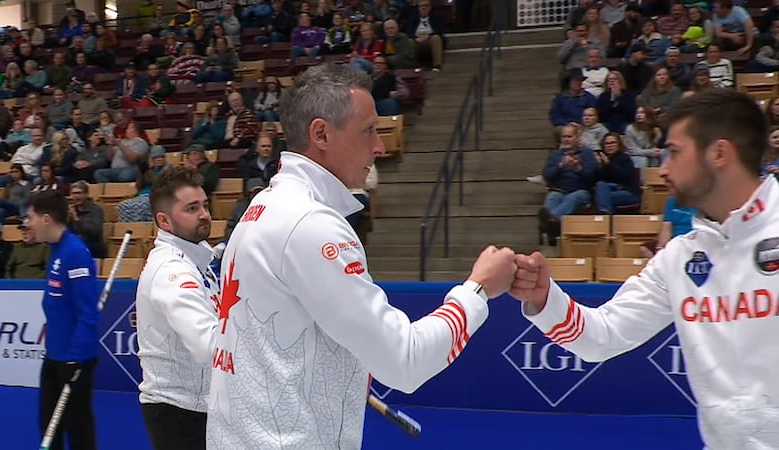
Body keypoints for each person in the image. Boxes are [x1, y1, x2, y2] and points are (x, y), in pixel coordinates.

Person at [206, 63, 518, 448]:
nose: (379, 146)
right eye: (368, 130)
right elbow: (404, 361)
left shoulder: (263, 208)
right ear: (321, 133)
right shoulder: (311, 224)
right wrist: (479, 290)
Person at [509, 88, 779, 449]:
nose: (663, 168)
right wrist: (545, 298)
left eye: (675, 152)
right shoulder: (678, 258)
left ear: (719, 153)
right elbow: (603, 336)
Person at [137, 167, 219, 450]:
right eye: (192, 208)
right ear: (165, 220)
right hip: (179, 411)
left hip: (199, 406)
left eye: (205, 205)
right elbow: (208, 343)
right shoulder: (173, 271)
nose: (204, 214)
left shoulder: (197, 259)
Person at [25, 189, 99, 450]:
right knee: (48, 426)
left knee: (78, 429)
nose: (26, 222)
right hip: (54, 355)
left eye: (30, 216)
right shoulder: (54, 250)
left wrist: (76, 359)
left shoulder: (75, 253)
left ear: (46, 219)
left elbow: (88, 313)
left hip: (73, 359)